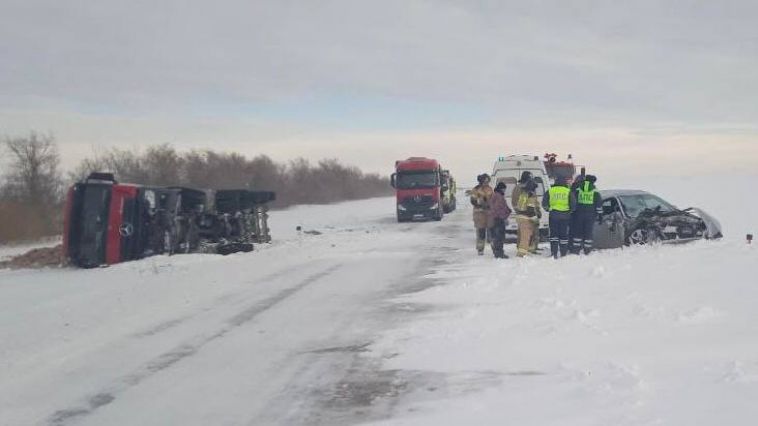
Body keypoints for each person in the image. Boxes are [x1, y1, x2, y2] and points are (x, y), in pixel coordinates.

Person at [543, 176, 576, 259]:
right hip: (565, 217)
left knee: (554, 235)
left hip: (553, 215)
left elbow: (544, 203)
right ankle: (563, 253)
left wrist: (548, 209)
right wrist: (569, 211)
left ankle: (554, 253)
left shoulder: (550, 190)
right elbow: (573, 204)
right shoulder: (568, 191)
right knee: (563, 235)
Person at [570, 175, 603, 255]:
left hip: (579, 214)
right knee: (588, 232)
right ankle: (587, 250)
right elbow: (598, 204)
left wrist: (573, 212)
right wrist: (600, 215)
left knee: (577, 232)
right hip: (590, 215)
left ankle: (576, 250)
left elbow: (573, 200)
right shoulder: (595, 191)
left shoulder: (579, 188)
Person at [514, 178, 541, 257]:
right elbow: (530, 210)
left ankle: (525, 251)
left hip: (520, 216)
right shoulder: (531, 195)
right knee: (525, 237)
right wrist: (536, 220)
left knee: (524, 235)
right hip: (525, 218)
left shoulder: (523, 194)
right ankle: (521, 254)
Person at [470, 173, 494, 255]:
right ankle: (480, 249)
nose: (487, 183)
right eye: (485, 181)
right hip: (479, 214)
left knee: (491, 231)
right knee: (481, 232)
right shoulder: (476, 189)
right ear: (481, 181)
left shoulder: (490, 189)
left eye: (488, 181)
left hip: (489, 214)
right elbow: (473, 201)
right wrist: (482, 202)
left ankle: (494, 248)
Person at [489, 181, 512, 259]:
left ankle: (497, 252)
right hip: (498, 219)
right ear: (502, 189)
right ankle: (499, 253)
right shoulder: (499, 196)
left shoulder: (494, 195)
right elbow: (498, 208)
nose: (505, 191)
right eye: (504, 189)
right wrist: (504, 217)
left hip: (493, 219)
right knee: (500, 237)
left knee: (496, 236)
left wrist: (508, 210)